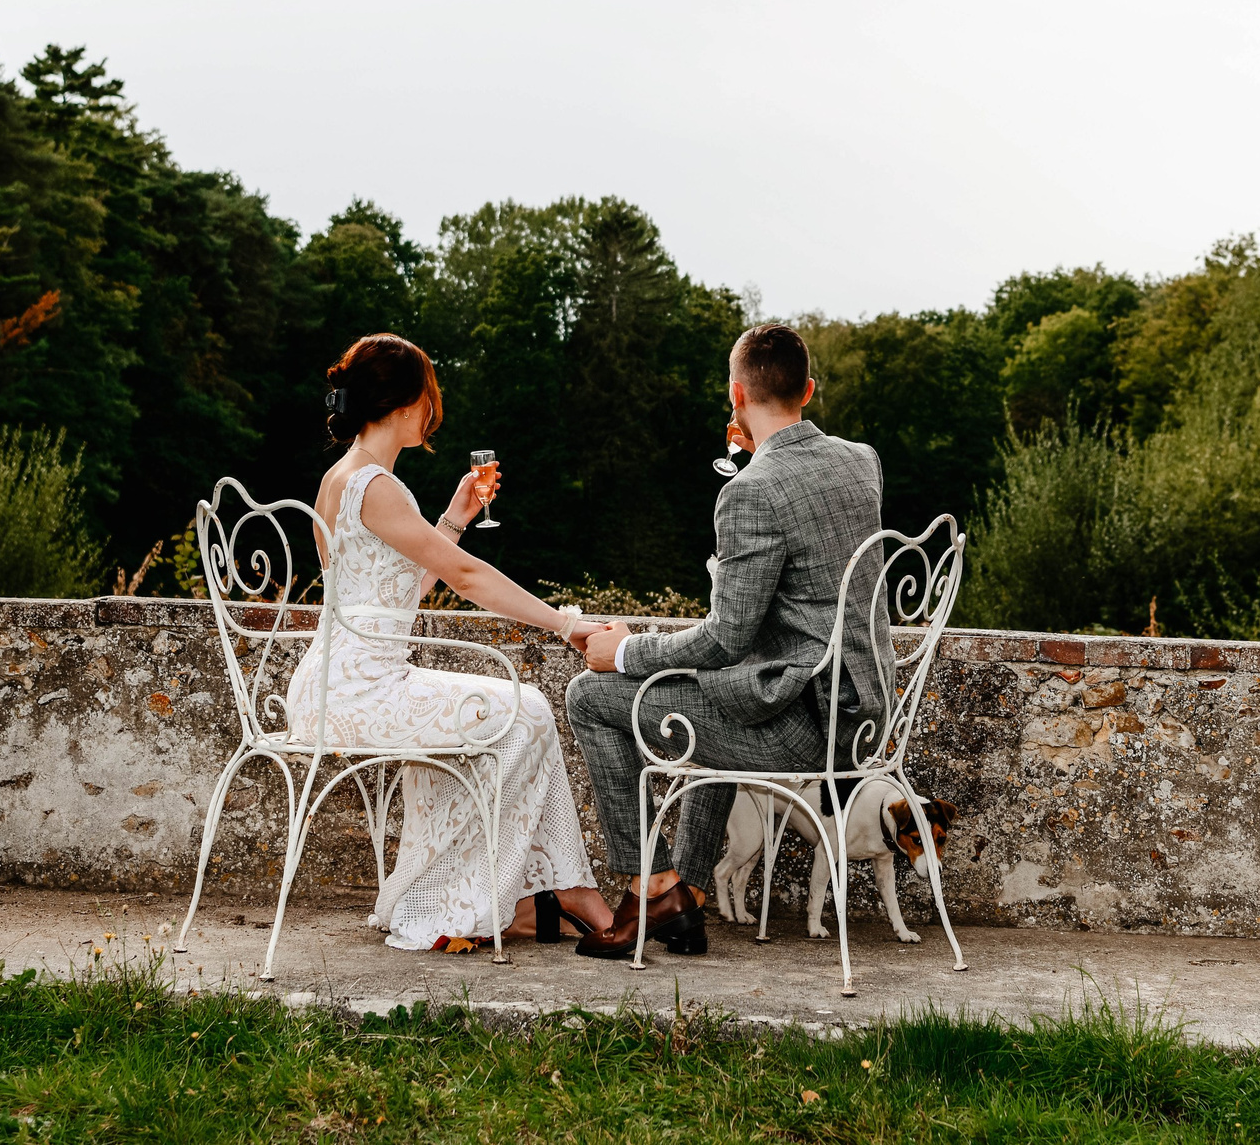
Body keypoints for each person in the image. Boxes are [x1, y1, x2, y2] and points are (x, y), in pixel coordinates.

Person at [563, 322, 890, 959]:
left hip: (806, 723)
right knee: (713, 697)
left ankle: (650, 885)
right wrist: (758, 458)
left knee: (587, 696)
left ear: (734, 396)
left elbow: (725, 638)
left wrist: (624, 651)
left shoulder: (749, 493)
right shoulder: (861, 461)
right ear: (809, 390)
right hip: (865, 715)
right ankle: (686, 894)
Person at [298, 333, 617, 951]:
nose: (434, 412)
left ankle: (530, 897)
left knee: (497, 721)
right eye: (430, 397)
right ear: (409, 400)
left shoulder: (339, 480)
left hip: (331, 683)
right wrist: (565, 623)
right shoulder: (378, 486)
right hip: (363, 689)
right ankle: (541, 893)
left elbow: (392, 595)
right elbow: (464, 578)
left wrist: (452, 520)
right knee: (527, 710)